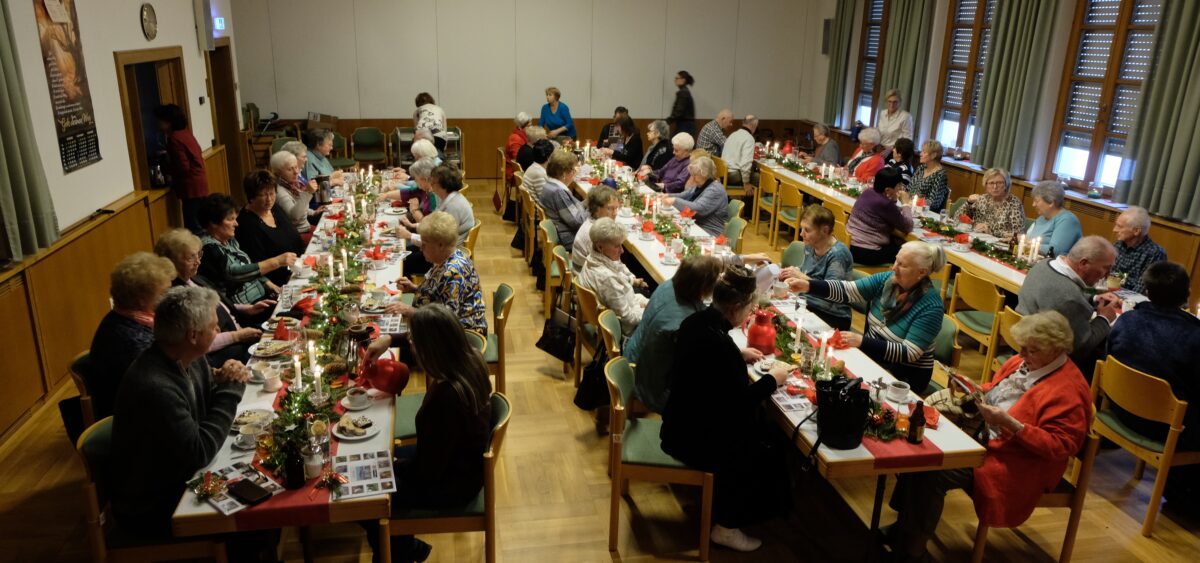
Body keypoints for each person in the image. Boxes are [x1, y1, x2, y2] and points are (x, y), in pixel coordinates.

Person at [885, 311, 1091, 561]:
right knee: (920, 441)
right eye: (1022, 348)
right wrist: (972, 388)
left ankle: (912, 550)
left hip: (1015, 462)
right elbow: (995, 391)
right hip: (984, 435)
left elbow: (1060, 446)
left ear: (1057, 350)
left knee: (934, 467)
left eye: (1031, 351)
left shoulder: (1069, 390)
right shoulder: (1024, 361)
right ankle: (904, 529)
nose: (1022, 355)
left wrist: (1011, 424)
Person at [661, 266, 791, 552]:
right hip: (693, 439)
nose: (749, 313)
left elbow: (713, 371)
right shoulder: (719, 346)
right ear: (734, 308)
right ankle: (727, 526)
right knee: (761, 445)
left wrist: (738, 352)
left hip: (679, 421)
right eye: (749, 308)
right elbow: (738, 404)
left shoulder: (696, 322)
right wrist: (773, 379)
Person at [110, 286, 252, 537]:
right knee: (253, 519)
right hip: (156, 503)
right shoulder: (155, 386)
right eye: (214, 325)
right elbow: (200, 451)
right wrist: (230, 391)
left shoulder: (186, 356)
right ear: (193, 335)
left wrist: (220, 379)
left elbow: (205, 392)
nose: (219, 329)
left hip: (182, 474)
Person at [360, 303, 493, 561]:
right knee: (378, 460)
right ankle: (405, 547)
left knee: (367, 498)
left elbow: (427, 473)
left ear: (429, 348)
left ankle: (395, 552)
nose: (410, 345)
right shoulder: (470, 358)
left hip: (452, 484)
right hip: (461, 462)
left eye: (413, 341)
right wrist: (389, 339)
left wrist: (395, 464)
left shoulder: (445, 399)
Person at [786, 241, 947, 391]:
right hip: (872, 359)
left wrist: (862, 341)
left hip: (903, 378)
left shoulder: (931, 306)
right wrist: (809, 286)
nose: (894, 268)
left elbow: (909, 353)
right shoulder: (887, 281)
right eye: (896, 261)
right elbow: (847, 290)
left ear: (921, 272)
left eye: (902, 265)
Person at [1108, 262, 1200, 503]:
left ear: (1147, 292)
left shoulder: (1127, 320)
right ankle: (1184, 498)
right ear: (1186, 295)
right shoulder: (1194, 336)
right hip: (1164, 427)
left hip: (1119, 409)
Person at [625, 255, 723, 413]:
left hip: (635, 356)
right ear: (704, 286)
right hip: (648, 383)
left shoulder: (669, 285)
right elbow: (698, 362)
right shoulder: (684, 323)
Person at [155, 228, 264, 367]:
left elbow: (220, 304)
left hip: (240, 334)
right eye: (190, 258)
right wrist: (237, 336)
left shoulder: (195, 278)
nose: (198, 262)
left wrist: (247, 308)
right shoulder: (178, 297)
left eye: (198, 255)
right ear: (170, 262)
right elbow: (196, 342)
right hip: (226, 354)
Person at [86, 252, 176, 420]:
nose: (170, 298)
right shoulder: (128, 340)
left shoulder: (137, 318)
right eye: (164, 293)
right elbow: (162, 387)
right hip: (138, 420)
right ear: (141, 299)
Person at [1017, 235, 1120, 372]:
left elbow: (1062, 288)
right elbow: (1081, 348)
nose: (1107, 275)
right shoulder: (1070, 299)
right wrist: (1104, 318)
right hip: (1044, 362)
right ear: (1083, 263)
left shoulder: (1044, 264)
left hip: (1022, 342)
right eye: (1106, 268)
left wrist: (1094, 299)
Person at [385, 212, 487, 334]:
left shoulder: (453, 273)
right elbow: (438, 294)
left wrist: (409, 310)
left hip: (461, 337)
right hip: (440, 325)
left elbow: (445, 321)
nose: (421, 249)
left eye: (424, 245)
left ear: (440, 245)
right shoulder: (446, 258)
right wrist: (414, 288)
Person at [195, 194, 294, 316]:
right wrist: (277, 262)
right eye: (230, 219)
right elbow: (235, 273)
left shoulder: (230, 241)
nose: (236, 223)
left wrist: (269, 284)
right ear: (213, 223)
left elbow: (248, 266)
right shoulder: (209, 249)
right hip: (247, 308)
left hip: (261, 297)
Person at [780, 206, 854, 330]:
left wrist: (800, 276)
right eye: (802, 228)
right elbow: (808, 272)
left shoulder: (838, 254)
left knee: (783, 322)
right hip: (808, 302)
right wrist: (793, 272)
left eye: (807, 230)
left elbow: (832, 292)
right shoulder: (811, 245)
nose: (801, 233)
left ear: (825, 230)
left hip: (833, 315)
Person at [576, 218, 649, 336]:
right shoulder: (607, 278)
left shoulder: (593, 257)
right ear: (600, 247)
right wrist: (648, 311)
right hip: (625, 333)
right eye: (617, 246)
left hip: (624, 312)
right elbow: (628, 319)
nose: (622, 251)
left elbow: (625, 295)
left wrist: (644, 304)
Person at [235, 170, 305, 287]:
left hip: (299, 267)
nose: (269, 199)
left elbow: (294, 236)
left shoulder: (274, 209)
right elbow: (257, 265)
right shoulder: (246, 224)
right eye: (263, 195)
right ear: (251, 197)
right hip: (280, 281)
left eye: (272, 193)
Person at [154, 104, 209, 232]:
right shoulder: (186, 133)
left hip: (190, 187)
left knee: (194, 228)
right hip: (200, 184)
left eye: (160, 120)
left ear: (169, 122)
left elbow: (182, 166)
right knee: (202, 224)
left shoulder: (174, 138)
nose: (157, 123)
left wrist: (166, 169)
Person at [847, 166, 913, 265]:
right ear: (887, 190)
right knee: (908, 253)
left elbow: (888, 213)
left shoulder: (868, 192)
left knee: (897, 242)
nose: (900, 188)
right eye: (898, 185)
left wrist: (893, 199)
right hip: (866, 252)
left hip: (849, 243)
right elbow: (908, 226)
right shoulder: (885, 204)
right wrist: (906, 203)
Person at [658, 156, 730, 236]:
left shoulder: (714, 190)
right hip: (696, 226)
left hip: (709, 232)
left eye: (695, 175)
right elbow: (685, 194)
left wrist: (674, 200)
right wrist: (667, 195)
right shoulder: (702, 184)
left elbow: (698, 208)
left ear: (704, 174)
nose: (692, 178)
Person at [539, 150, 589, 251]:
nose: (575, 173)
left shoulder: (551, 185)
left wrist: (590, 201)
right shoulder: (558, 192)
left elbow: (575, 207)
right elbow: (578, 221)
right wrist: (594, 209)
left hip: (564, 232)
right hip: (568, 238)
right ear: (564, 173)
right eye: (574, 170)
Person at [1111, 206, 1166, 293]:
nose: (1114, 230)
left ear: (1136, 231)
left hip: (1134, 301)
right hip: (1114, 294)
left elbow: (1141, 289)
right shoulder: (1119, 245)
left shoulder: (1155, 253)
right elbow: (1112, 277)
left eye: (1120, 227)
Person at [962, 167, 1026, 239]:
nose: (995, 187)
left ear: (1006, 184)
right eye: (991, 183)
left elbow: (1018, 235)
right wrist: (968, 203)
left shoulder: (1014, 204)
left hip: (1001, 245)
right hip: (976, 238)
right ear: (986, 185)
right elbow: (958, 218)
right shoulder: (982, 199)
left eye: (999, 183)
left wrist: (991, 231)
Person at [1027, 181, 1083, 256]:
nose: (1033, 205)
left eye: (1036, 201)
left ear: (1051, 202)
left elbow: (1055, 251)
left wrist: (1027, 243)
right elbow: (1029, 239)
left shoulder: (1068, 220)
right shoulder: (1042, 217)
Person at [271, 150, 320, 235]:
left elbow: (298, 206)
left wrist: (314, 212)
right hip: (297, 233)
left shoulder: (295, 184)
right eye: (290, 169)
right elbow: (294, 216)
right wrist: (307, 192)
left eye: (296, 167)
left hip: (306, 227)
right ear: (278, 173)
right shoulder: (279, 191)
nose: (296, 172)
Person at [571, 186, 620, 269]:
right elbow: (607, 266)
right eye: (610, 208)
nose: (615, 213)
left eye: (616, 208)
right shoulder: (595, 233)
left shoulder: (594, 223)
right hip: (586, 276)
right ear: (596, 209)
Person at [302, 128, 345, 201]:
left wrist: (333, 175)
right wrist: (333, 181)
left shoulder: (320, 155)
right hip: (318, 201)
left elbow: (327, 176)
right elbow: (313, 187)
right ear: (318, 145)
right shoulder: (308, 159)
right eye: (329, 145)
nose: (331, 148)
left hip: (328, 194)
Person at [908, 140, 949, 213]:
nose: (920, 154)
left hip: (926, 213)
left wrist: (916, 199)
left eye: (924, 152)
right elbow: (909, 188)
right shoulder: (921, 168)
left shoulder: (940, 175)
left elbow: (934, 203)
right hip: (912, 206)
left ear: (933, 155)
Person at [722, 115, 756, 187]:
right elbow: (746, 163)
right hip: (733, 176)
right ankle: (749, 198)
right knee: (760, 178)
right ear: (754, 126)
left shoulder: (733, 134)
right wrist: (746, 183)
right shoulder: (749, 138)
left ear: (743, 123)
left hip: (723, 172)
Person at [505, 112, 532, 184]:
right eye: (529, 126)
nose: (531, 128)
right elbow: (517, 159)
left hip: (520, 169)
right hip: (514, 172)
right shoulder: (516, 138)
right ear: (521, 127)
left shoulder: (521, 135)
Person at [667, 70, 696, 136]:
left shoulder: (683, 93)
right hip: (686, 125)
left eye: (677, 78)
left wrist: (668, 121)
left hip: (684, 126)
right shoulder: (684, 91)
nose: (675, 80)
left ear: (683, 80)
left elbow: (679, 111)